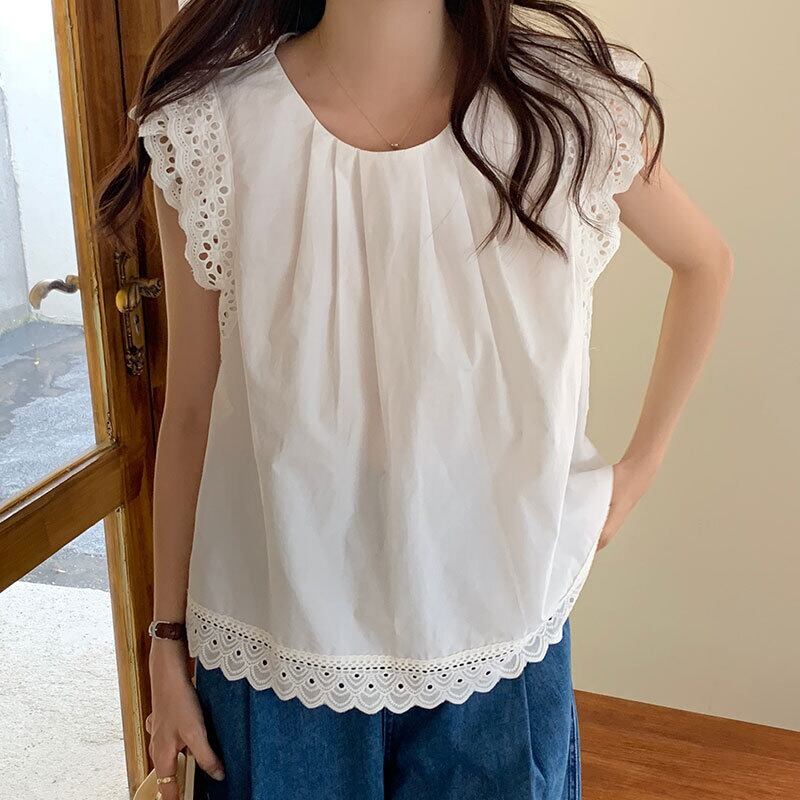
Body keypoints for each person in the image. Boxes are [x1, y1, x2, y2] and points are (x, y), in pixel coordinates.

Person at [97, 1, 733, 798]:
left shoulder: (569, 109)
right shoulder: (213, 130)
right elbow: (190, 405)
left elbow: (705, 263)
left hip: (497, 639)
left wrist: (635, 476)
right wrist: (165, 642)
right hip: (279, 642)